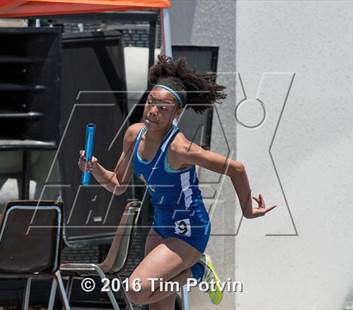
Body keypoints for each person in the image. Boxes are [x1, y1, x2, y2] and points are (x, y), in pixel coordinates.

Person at [79, 55, 277, 309]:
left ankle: (198, 270)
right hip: (161, 226)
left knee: (136, 290)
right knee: (157, 304)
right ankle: (194, 271)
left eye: (163, 108)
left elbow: (236, 169)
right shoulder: (133, 134)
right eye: (151, 102)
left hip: (190, 230)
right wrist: (93, 168)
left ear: (178, 112)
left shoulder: (179, 148)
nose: (153, 111)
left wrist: (248, 211)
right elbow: (118, 184)